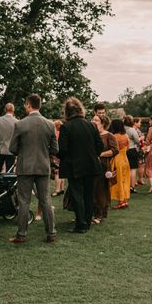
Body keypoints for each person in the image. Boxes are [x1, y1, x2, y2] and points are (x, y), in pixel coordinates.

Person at [8, 94, 58, 243]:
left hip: (25, 167)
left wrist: (23, 153)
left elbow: (12, 148)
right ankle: (51, 234)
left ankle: (21, 235)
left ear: (29, 105)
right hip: (43, 166)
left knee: (24, 201)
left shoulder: (20, 124)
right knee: (46, 200)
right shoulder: (50, 124)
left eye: (25, 105)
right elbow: (55, 149)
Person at [58, 97, 103, 233]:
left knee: (77, 195)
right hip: (91, 165)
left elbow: (63, 149)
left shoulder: (66, 127)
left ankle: (80, 224)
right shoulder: (92, 125)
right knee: (88, 195)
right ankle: (87, 222)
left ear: (67, 112)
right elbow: (99, 147)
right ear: (80, 109)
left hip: (74, 166)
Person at [91, 115, 117, 222]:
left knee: (100, 190)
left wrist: (100, 154)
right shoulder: (92, 134)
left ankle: (99, 215)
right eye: (92, 119)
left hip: (103, 166)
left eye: (96, 120)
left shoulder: (109, 135)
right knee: (91, 190)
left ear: (103, 123)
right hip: (91, 166)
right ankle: (90, 213)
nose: (93, 121)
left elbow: (115, 150)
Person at [109, 118, 130, 210]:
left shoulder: (114, 136)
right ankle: (124, 200)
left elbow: (112, 149)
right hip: (125, 159)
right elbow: (128, 147)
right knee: (125, 180)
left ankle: (121, 201)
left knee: (118, 180)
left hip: (117, 159)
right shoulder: (126, 136)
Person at [0, 103, 17, 172]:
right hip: (11, 150)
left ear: (5, 110)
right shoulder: (17, 122)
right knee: (9, 172)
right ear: (13, 110)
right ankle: (9, 183)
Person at [123, 116, 140, 193]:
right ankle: (132, 187)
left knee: (125, 169)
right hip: (132, 149)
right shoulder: (132, 130)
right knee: (133, 169)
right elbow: (137, 140)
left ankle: (125, 186)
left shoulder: (122, 129)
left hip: (123, 151)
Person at [51, 120, 65, 196]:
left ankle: (57, 189)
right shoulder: (63, 133)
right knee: (61, 172)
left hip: (56, 155)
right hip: (62, 155)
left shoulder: (55, 133)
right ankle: (62, 188)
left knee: (57, 172)